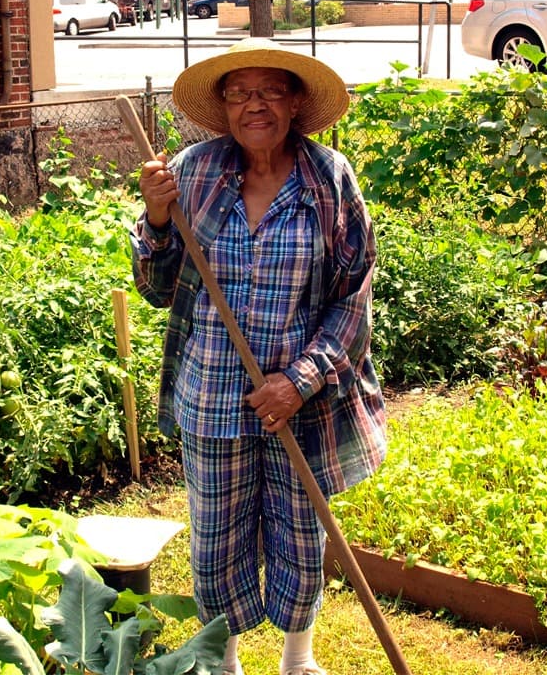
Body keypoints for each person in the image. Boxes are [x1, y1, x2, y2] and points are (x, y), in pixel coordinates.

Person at [130, 37, 386, 675]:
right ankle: (227, 661)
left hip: (300, 400)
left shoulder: (329, 179)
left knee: (301, 530)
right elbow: (157, 290)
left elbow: (354, 295)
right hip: (213, 393)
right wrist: (157, 218)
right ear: (223, 105)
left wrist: (300, 380)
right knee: (217, 537)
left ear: (295, 102)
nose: (256, 105)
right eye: (240, 93)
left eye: (271, 90)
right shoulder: (192, 173)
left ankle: (298, 659)